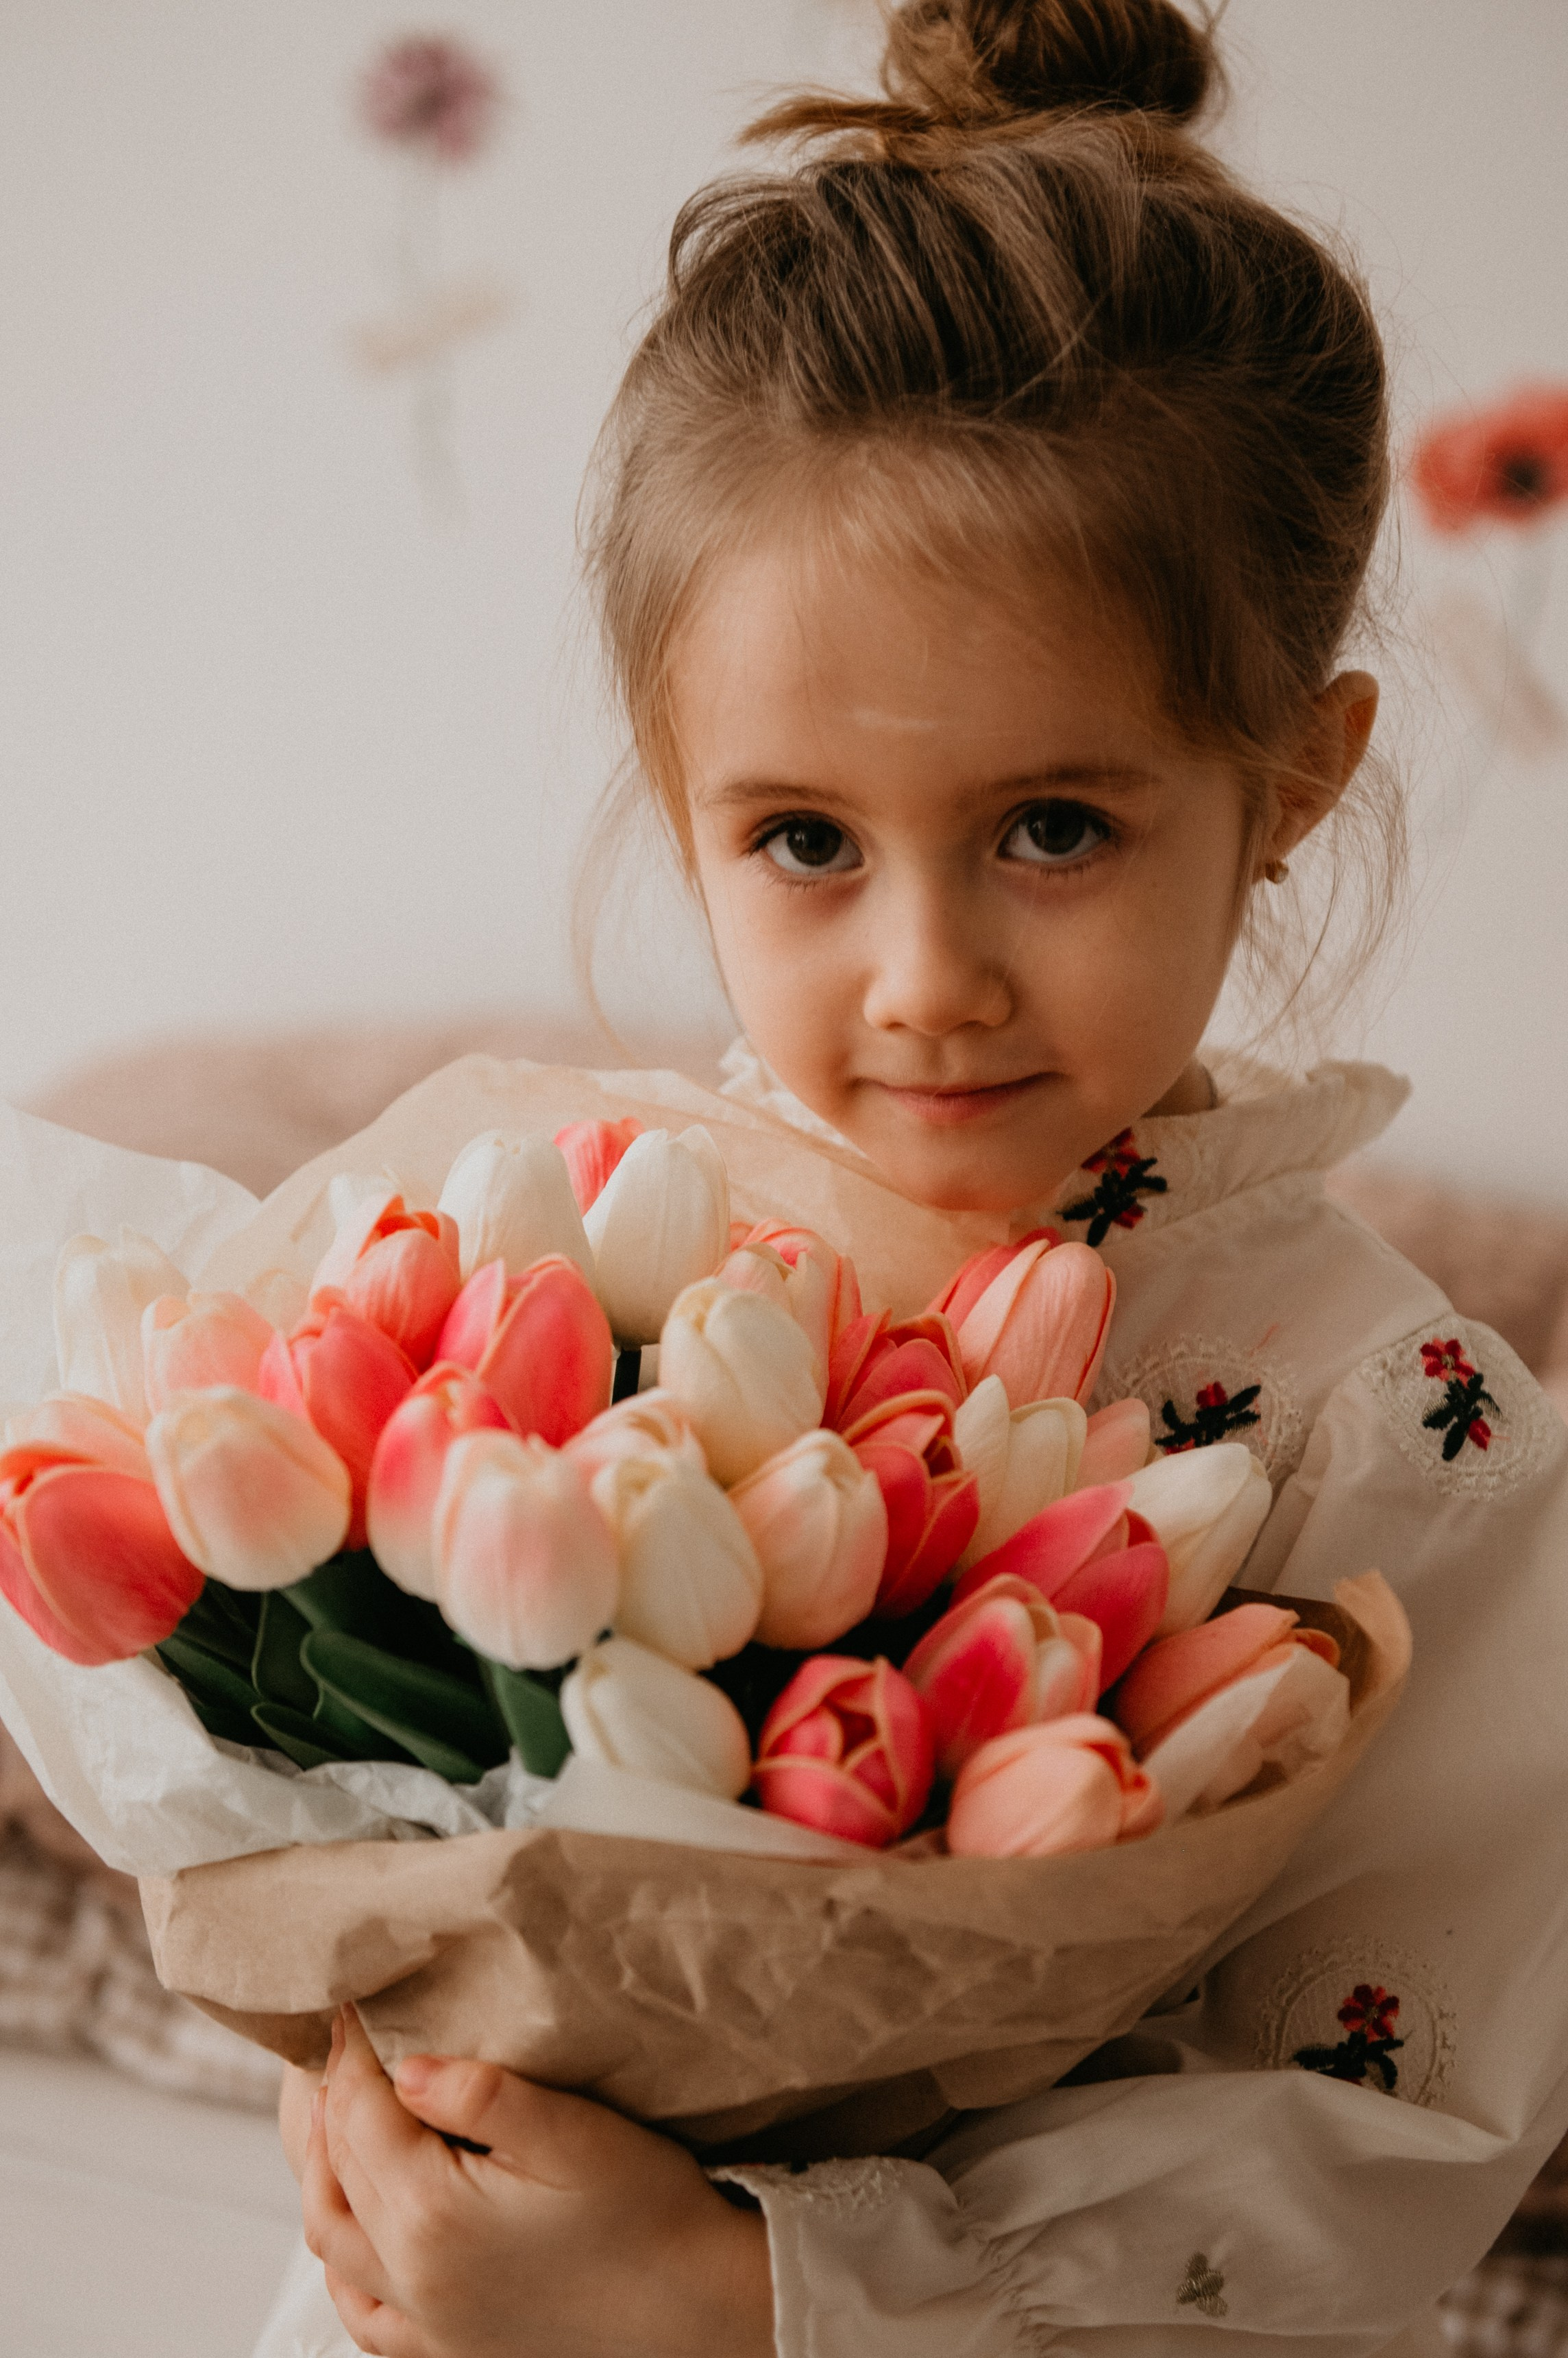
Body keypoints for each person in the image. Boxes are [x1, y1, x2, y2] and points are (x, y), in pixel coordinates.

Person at [262, 2, 1568, 2351]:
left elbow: (1379, 2144)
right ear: (682, 802)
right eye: (803, 842)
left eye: (1054, 827)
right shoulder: (553, 1260)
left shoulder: (1412, 1443)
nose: (928, 972)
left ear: (1292, 776)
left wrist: (745, 2301)